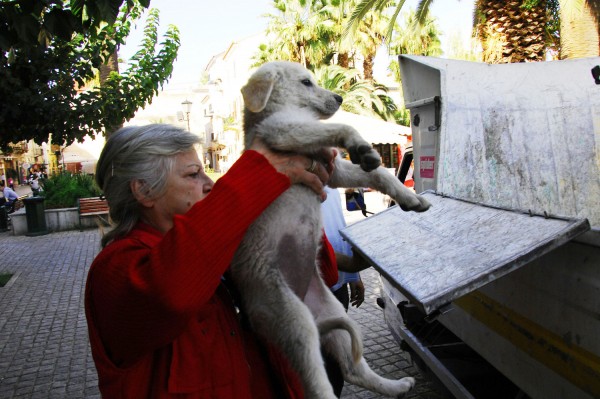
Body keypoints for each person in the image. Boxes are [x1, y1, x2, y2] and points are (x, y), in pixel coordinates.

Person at [84, 124, 337, 399]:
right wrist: (261, 173)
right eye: (193, 174)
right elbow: (172, 291)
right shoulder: (115, 269)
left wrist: (291, 202)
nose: (210, 184)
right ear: (144, 191)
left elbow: (322, 274)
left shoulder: (215, 248)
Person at [321, 185, 369, 397]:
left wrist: (353, 277)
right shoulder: (292, 181)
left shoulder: (328, 182)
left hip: (337, 287)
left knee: (335, 362)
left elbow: (337, 226)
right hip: (313, 293)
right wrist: (352, 266)